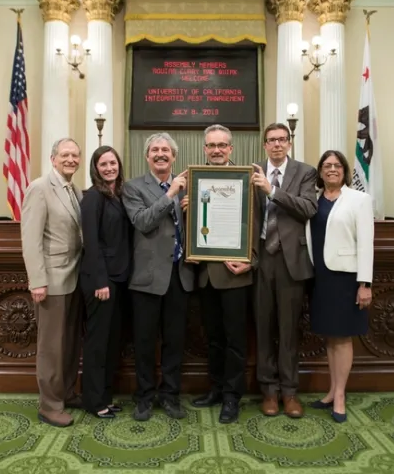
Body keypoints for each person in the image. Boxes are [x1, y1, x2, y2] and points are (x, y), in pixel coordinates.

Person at [187, 124, 259, 424]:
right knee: (213, 338)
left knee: (234, 340)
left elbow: (257, 223)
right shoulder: (194, 180)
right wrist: (184, 210)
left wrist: (252, 260)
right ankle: (215, 389)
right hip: (205, 275)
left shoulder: (248, 180)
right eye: (211, 145)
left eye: (222, 145)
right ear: (205, 149)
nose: (216, 150)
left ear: (231, 149)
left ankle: (232, 397)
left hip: (236, 274)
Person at [122, 132, 195, 422]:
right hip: (147, 278)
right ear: (147, 156)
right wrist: (171, 195)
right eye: (155, 150)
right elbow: (142, 221)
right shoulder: (133, 187)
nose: (161, 154)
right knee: (144, 341)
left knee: (175, 341)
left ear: (174, 156)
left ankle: (171, 395)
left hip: (180, 274)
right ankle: (144, 396)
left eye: (166, 150)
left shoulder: (191, 185)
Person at [251, 122, 317, 418]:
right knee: (263, 328)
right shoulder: (252, 173)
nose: (277, 144)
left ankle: (289, 392)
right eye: (271, 140)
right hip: (261, 258)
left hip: (291, 260)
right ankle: (268, 391)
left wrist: (272, 190)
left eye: (282, 139)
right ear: (264, 145)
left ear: (289, 143)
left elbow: (308, 208)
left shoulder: (304, 172)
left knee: (288, 330)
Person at [21, 137, 84, 428]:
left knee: (70, 344)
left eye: (75, 155)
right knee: (51, 348)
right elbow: (30, 241)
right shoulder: (40, 188)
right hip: (51, 281)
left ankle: (67, 393)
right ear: (53, 158)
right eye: (65, 155)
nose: (71, 159)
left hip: (73, 278)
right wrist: (37, 281)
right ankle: (49, 406)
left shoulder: (74, 191)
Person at [307, 150, 374, 423]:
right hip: (320, 276)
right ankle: (331, 391)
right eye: (326, 166)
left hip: (346, 278)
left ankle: (341, 396)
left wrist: (365, 283)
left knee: (343, 337)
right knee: (330, 336)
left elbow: (366, 243)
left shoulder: (359, 200)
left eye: (336, 165)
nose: (331, 169)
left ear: (345, 171)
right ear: (320, 172)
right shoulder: (313, 200)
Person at [79, 145, 131, 419]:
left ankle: (106, 396)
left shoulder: (119, 195)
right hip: (100, 281)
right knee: (98, 344)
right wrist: (101, 281)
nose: (109, 168)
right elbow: (91, 243)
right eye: (103, 164)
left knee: (112, 343)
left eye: (113, 163)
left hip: (119, 279)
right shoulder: (92, 198)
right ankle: (93, 401)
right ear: (95, 169)